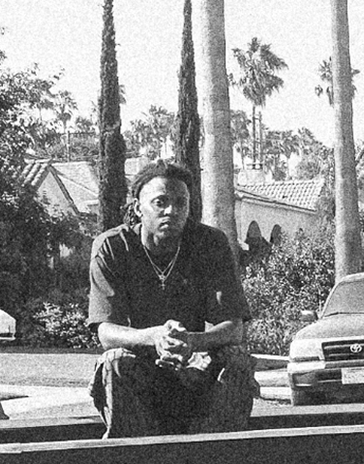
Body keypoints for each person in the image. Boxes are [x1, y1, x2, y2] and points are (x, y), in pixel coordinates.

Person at [88, 160, 257, 437]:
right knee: (114, 361)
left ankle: (220, 459)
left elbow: (233, 327)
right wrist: (155, 337)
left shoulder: (209, 244)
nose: (172, 211)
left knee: (235, 359)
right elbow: (106, 332)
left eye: (181, 203)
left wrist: (191, 341)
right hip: (140, 369)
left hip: (194, 367)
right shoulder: (113, 247)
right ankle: (133, 462)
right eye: (160, 202)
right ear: (137, 208)